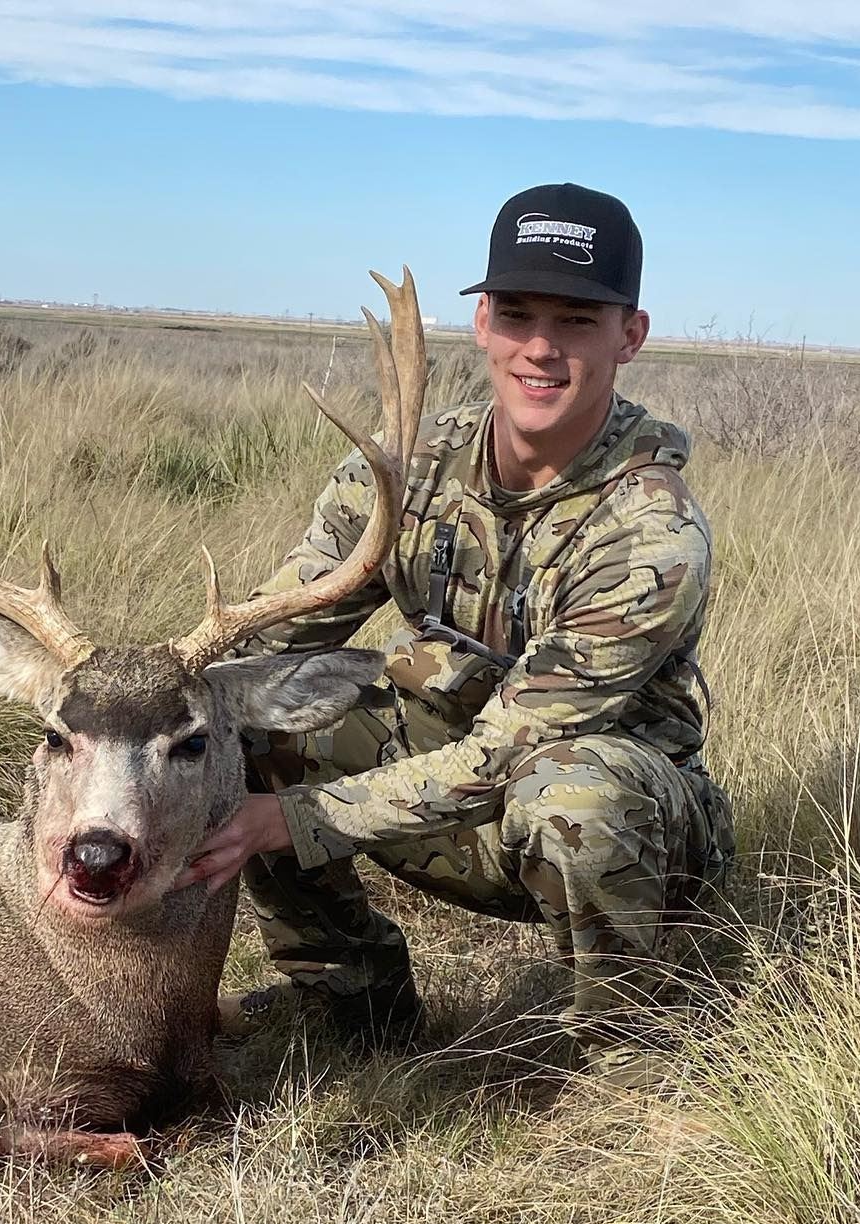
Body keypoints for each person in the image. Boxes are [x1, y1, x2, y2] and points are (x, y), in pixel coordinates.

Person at [180, 182, 734, 1086]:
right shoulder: (409, 469)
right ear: (482, 322)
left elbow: (508, 755)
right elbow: (273, 639)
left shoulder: (651, 533)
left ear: (629, 336)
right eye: (517, 315)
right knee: (235, 719)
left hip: (609, 824)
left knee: (573, 791)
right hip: (449, 772)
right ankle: (350, 999)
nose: (541, 348)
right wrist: (145, 692)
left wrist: (298, 819)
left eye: (577, 321)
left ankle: (626, 1054)